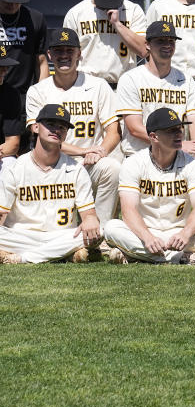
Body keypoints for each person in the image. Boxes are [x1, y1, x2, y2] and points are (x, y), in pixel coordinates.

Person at [25, 29, 120, 225]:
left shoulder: (98, 85)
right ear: (50, 55)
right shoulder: (37, 91)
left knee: (112, 167)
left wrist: (100, 152)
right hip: (53, 164)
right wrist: (84, 150)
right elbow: (40, 136)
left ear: (80, 53)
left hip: (89, 163)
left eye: (70, 50)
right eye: (59, 51)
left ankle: (99, 234)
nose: (64, 56)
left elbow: (113, 130)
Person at [103, 107, 195, 264]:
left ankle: (135, 255)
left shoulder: (192, 164)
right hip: (143, 232)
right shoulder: (133, 163)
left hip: (178, 233)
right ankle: (180, 258)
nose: (179, 134)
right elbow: (128, 210)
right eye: (171, 130)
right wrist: (148, 237)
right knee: (111, 228)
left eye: (180, 128)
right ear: (153, 136)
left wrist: (185, 234)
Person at [0, 104, 99, 264]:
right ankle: (64, 253)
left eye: (62, 127)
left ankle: (20, 258)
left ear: (66, 135)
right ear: (36, 127)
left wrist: (90, 220)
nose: (56, 130)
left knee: (102, 232)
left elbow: (89, 215)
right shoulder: (15, 169)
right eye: (50, 125)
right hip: (22, 236)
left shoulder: (76, 170)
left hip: (61, 234)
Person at [116, 21, 195, 170]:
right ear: (147, 44)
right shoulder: (130, 78)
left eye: (171, 41)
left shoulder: (186, 80)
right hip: (140, 155)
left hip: (177, 156)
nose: (167, 45)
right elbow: (134, 127)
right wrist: (178, 144)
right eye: (161, 41)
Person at [63, 0, 148, 87]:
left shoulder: (133, 10)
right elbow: (67, 55)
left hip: (122, 86)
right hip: (86, 86)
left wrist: (118, 25)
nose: (108, 4)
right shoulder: (76, 13)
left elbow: (144, 50)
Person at [0, 0, 48, 150]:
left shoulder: (35, 19)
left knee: (21, 152)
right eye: (8, 0)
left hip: (23, 96)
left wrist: (42, 95)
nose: (13, 5)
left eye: (18, 0)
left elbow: (41, 61)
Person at [0, 46, 23, 170]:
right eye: (0, 67)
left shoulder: (10, 94)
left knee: (10, 164)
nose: (4, 71)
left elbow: (13, 143)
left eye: (5, 66)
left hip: (0, 153)